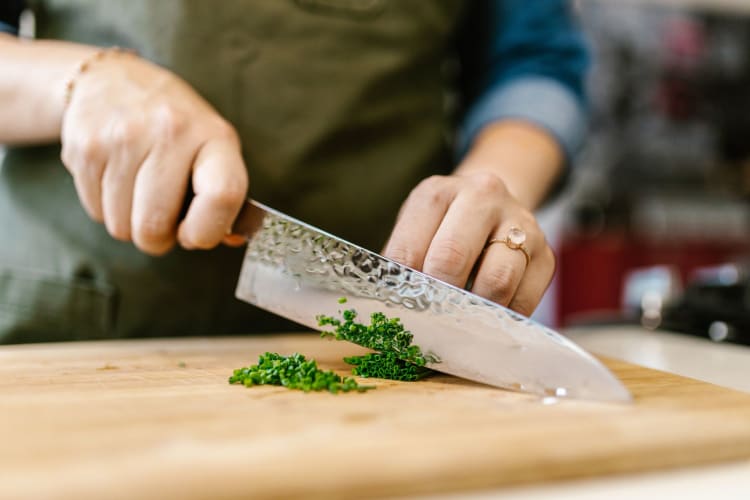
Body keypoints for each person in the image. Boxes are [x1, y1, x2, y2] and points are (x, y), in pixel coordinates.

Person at [0, 0, 588, 343]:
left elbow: (534, 61)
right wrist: (81, 82)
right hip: (72, 325)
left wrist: (494, 188)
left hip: (377, 328)